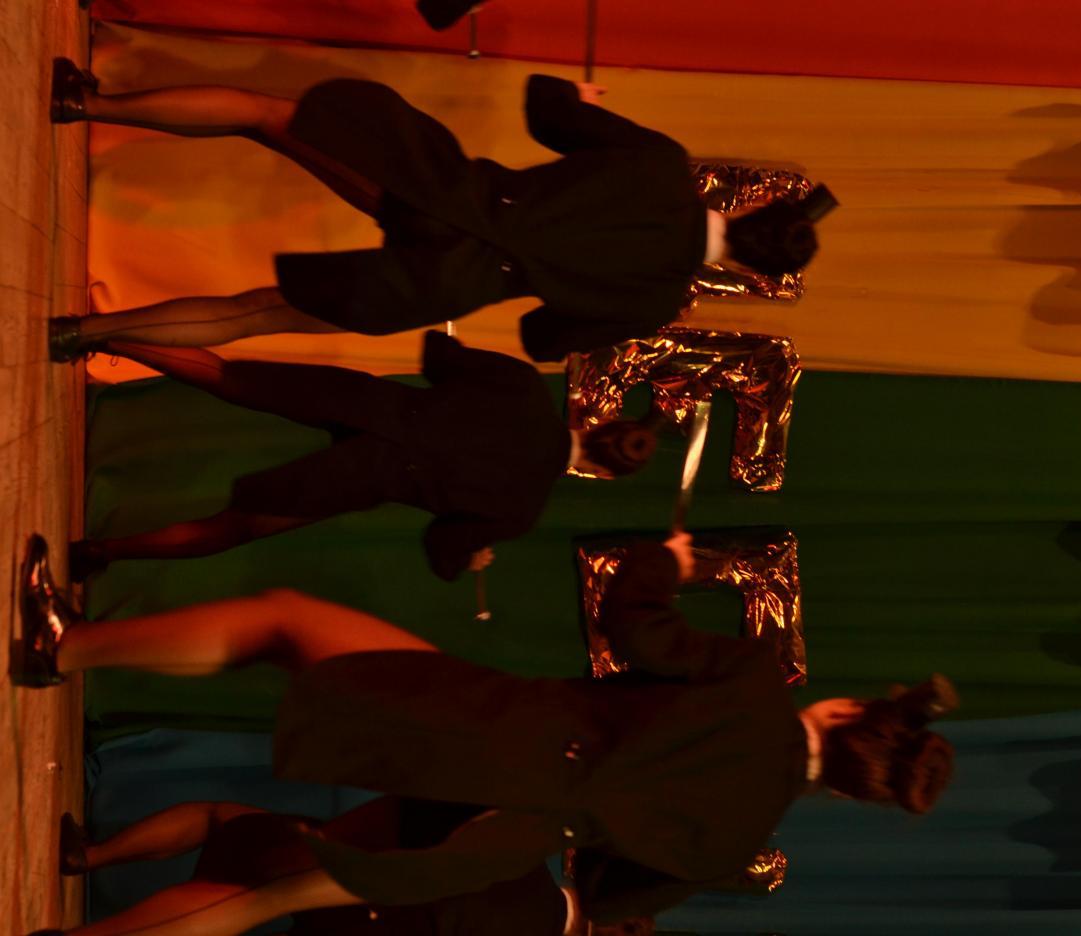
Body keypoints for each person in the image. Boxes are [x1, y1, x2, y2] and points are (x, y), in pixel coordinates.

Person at [13, 531, 954, 922]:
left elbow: (631, 622)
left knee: (283, 623)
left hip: (486, 731)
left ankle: (63, 645)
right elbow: (609, 897)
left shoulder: (754, 684)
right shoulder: (740, 837)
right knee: (255, 897)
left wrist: (666, 564)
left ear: (848, 712)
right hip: (495, 838)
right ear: (847, 788)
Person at [47, 59, 824, 365]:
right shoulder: (658, 301)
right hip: (449, 279)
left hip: (444, 191)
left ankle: (87, 104)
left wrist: (578, 97)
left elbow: (546, 110)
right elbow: (541, 339)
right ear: (751, 269)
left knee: (263, 116)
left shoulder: (661, 167)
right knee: (254, 315)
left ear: (752, 204)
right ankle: (81, 335)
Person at [65, 330, 658, 581]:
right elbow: (441, 547)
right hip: (364, 476)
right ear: (599, 471)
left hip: (367, 403)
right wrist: (471, 558)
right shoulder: (521, 507)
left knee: (227, 376)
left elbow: (439, 356)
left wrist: (459, 353)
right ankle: (102, 552)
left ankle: (105, 334)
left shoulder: (525, 388)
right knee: (235, 527)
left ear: (603, 423)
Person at [32, 797, 648, 936]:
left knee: (228, 831)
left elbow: (400, 816)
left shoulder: (517, 855)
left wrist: (322, 840)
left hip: (347, 880)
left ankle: (89, 858)